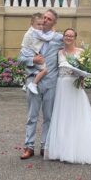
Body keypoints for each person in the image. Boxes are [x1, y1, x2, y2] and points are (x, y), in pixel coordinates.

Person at [44, 28, 91, 165]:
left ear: (75, 38)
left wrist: (83, 77)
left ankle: (76, 149)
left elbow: (86, 69)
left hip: (74, 87)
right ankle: (61, 149)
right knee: (63, 116)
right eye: (66, 35)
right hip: (62, 86)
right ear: (63, 37)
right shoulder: (59, 52)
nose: (68, 38)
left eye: (71, 36)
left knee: (77, 116)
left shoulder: (81, 52)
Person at [19, 9, 63, 159]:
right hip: (33, 81)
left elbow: (70, 52)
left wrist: (80, 72)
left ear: (54, 23)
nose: (44, 20)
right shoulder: (30, 36)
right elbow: (20, 58)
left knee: (48, 117)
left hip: (51, 83)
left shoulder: (58, 38)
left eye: (49, 19)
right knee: (32, 117)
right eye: (44, 17)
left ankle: (46, 146)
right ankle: (28, 147)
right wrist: (32, 60)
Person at [20, 12, 55, 94]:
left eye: (42, 24)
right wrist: (53, 32)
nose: (41, 27)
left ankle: (26, 84)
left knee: (36, 70)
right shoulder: (35, 32)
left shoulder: (31, 31)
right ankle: (33, 84)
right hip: (29, 53)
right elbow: (47, 38)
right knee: (44, 70)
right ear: (32, 24)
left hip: (28, 51)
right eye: (38, 24)